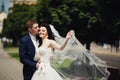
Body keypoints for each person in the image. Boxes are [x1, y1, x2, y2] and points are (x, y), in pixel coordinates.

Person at [32, 24, 110, 80]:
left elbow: (60, 48)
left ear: (47, 33)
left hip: (47, 70)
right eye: (40, 30)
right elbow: (38, 57)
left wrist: (67, 39)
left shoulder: (50, 42)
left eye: (43, 30)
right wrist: (38, 62)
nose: (40, 32)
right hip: (39, 69)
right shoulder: (39, 44)